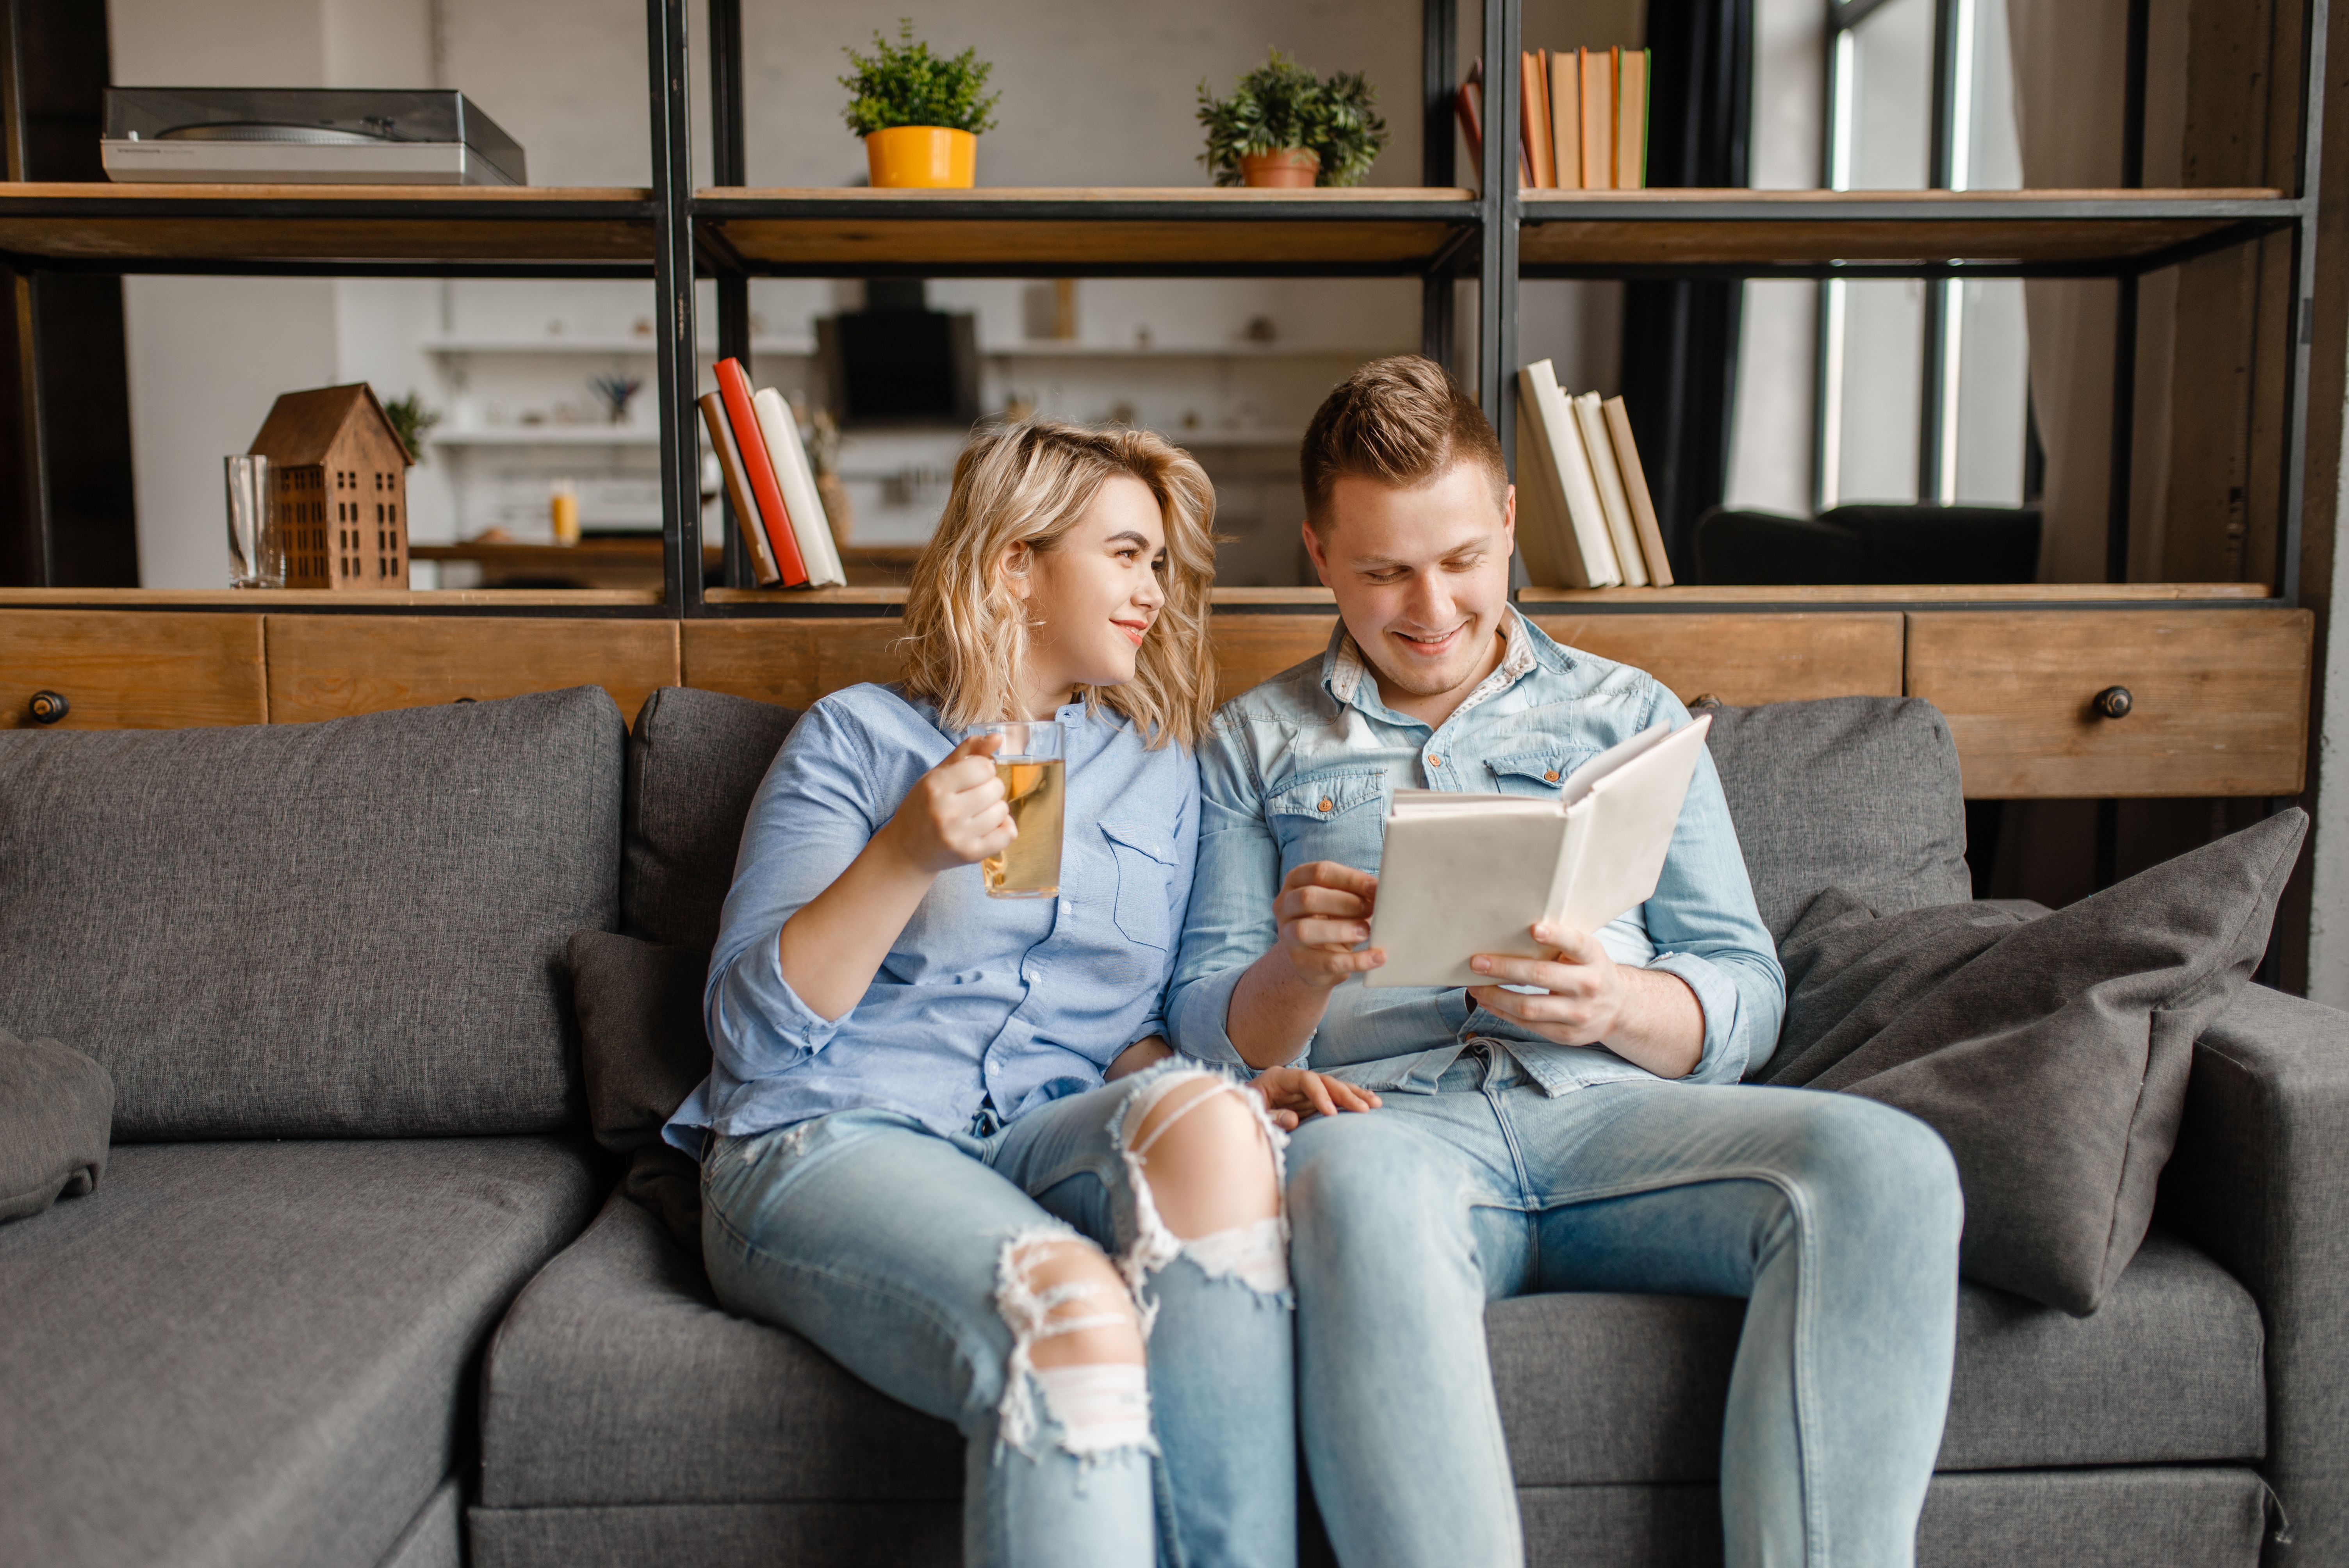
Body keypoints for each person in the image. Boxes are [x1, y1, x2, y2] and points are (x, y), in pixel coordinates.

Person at [1168, 358, 1964, 1568]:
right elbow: (1205, 1037)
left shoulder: (1630, 714)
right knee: (1351, 1184)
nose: (1430, 607)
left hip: (1617, 1119)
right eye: (1384, 572)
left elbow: (1744, 987)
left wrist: (1618, 1003)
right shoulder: (1250, 745)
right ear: (1320, 556)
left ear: (1507, 527)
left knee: (1892, 1165)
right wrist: (1300, 969)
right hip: (1392, 1127)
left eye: (1460, 562)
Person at [670, 420, 1371, 1568]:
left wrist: (1248, 1066)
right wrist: (903, 854)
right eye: (1127, 555)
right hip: (832, 1135)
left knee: (1216, 1120)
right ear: (1015, 567)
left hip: (1038, 1136)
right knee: (1071, 1310)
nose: (1155, 591)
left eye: (1161, 564)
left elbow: (1145, 1036)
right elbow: (751, 1039)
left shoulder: (1158, 774)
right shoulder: (858, 739)